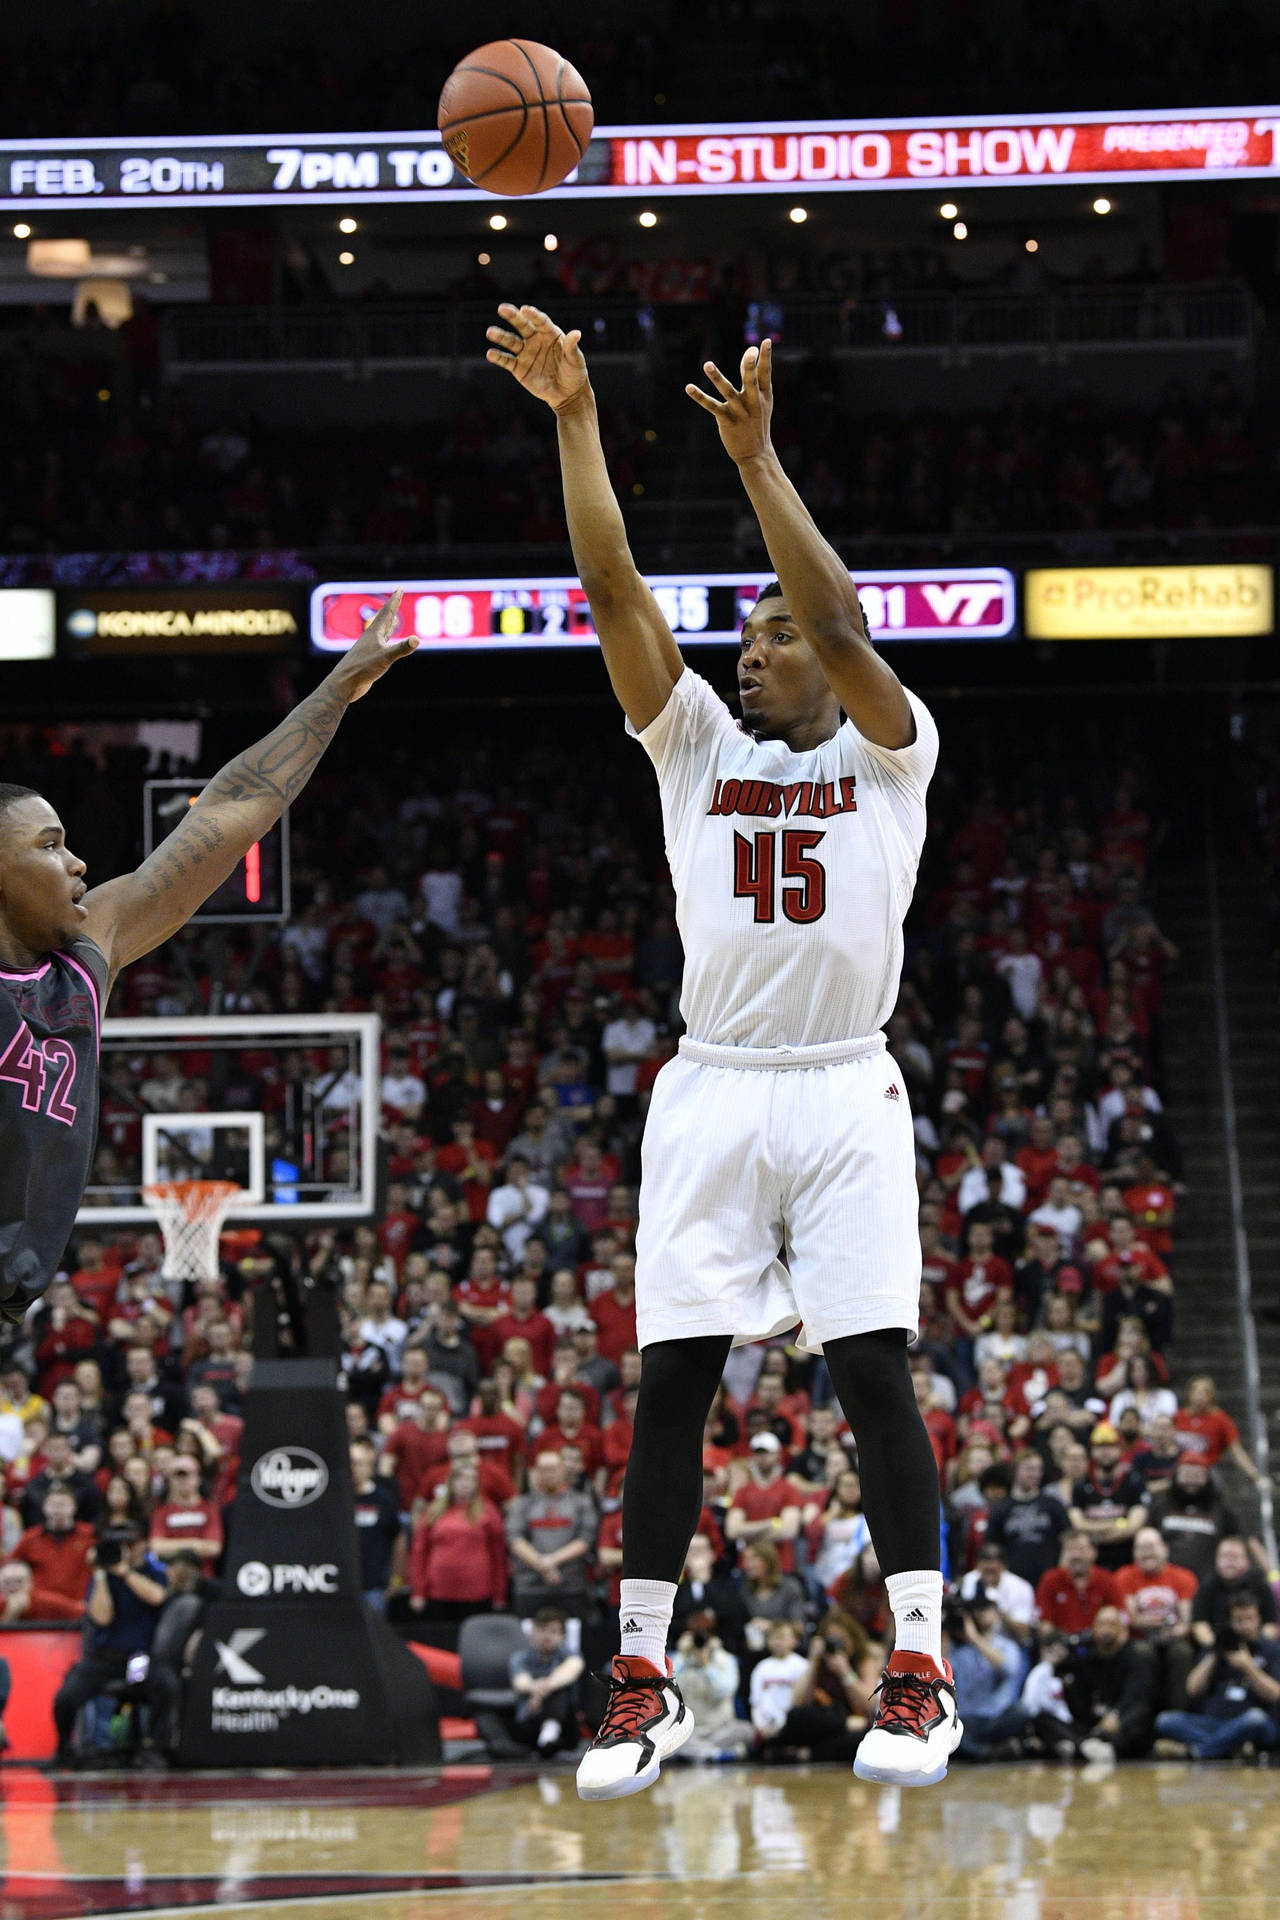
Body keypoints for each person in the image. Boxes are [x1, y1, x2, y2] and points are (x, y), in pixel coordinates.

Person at [487, 304, 950, 1801]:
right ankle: (642, 1679)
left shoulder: (892, 750)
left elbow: (841, 621)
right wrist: (576, 419)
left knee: (874, 1370)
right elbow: (610, 584)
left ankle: (919, 1673)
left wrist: (759, 465)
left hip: (844, 1083)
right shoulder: (695, 748)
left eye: (768, 637)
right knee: (673, 1378)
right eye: (743, 638)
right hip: (716, 1082)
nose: (750, 657)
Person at [0, 598, 412, 1326]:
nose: (77, 862)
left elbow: (235, 803)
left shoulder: (84, 964)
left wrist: (337, 688)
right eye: (49, 845)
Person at [51, 1524, 168, 1767]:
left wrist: (125, 1571)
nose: (124, 1550)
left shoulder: (152, 1571)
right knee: (66, 1697)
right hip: (103, 1658)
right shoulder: (100, 1578)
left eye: (130, 1545)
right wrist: (102, 1574)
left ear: (142, 1546)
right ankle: (64, 1748)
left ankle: (153, 1746)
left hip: (138, 1658)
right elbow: (102, 1617)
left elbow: (157, 1596)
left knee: (163, 1685)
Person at [1154, 1595, 1280, 1761]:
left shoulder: (1270, 1649)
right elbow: (1192, 1689)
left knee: (1255, 1718)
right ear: (1230, 1621)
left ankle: (1196, 1752)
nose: (1244, 1625)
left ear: (1259, 1619)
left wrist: (1247, 1666)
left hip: (1253, 1723)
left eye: (1249, 1619)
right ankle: (1232, 1746)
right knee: (1165, 1720)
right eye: (1238, 1620)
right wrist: (1213, 1656)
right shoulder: (1217, 1646)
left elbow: (1275, 1694)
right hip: (1215, 1722)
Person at [948, 1591, 1029, 1760]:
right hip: (967, 1719)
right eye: (976, 1611)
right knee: (947, 1727)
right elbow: (941, 1676)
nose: (979, 1615)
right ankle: (990, 1753)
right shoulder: (957, 1651)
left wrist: (975, 1638)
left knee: (1022, 1711)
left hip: (997, 1717)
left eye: (984, 1609)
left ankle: (979, 1751)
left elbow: (1007, 1668)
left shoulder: (1006, 1645)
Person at [508, 1607, 584, 1755]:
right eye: (542, 1630)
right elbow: (520, 1683)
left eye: (553, 1631)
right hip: (532, 1718)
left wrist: (541, 1691)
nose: (547, 1636)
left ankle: (551, 1728)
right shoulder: (520, 1657)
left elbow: (572, 1669)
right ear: (532, 1632)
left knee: (560, 1689)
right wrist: (536, 1689)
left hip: (565, 1727)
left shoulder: (570, 1655)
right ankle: (547, 1733)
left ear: (563, 1636)